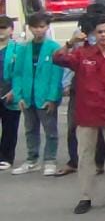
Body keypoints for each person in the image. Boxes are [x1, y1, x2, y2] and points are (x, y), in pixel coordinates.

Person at [53, 17, 105, 215]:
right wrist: (71, 43)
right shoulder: (81, 54)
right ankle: (85, 197)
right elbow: (57, 58)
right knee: (85, 157)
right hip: (86, 114)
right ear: (93, 35)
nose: (104, 36)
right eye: (100, 32)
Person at [7, 12, 64, 176]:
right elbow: (17, 73)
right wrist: (19, 95)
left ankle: (50, 160)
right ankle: (32, 160)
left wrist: (52, 97)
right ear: (30, 28)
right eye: (35, 27)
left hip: (45, 96)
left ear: (47, 27)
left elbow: (56, 75)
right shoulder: (24, 48)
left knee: (50, 130)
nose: (39, 30)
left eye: (42, 26)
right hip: (27, 96)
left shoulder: (54, 47)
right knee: (30, 129)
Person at [0, 16, 18, 170]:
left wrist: (15, 90)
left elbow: (21, 73)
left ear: (11, 30)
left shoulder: (18, 49)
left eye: (4, 28)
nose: (1, 31)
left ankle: (6, 157)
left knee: (10, 127)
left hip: (10, 93)